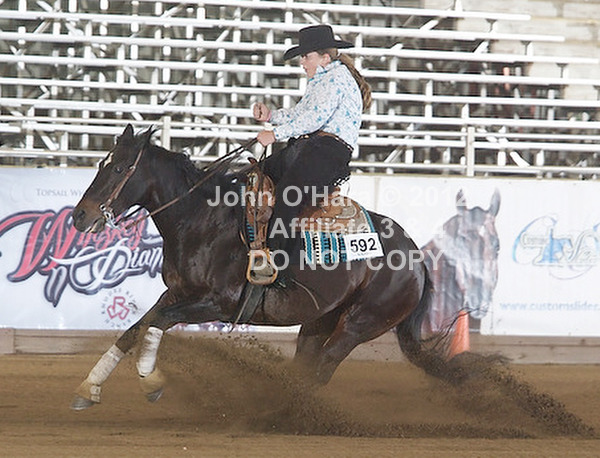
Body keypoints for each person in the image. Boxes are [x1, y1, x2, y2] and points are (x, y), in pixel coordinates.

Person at [250, 24, 372, 279]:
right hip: (312, 148)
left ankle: (278, 265)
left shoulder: (336, 79)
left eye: (306, 56)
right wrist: (271, 116)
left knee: (288, 194)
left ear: (325, 58)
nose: (302, 62)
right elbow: (302, 115)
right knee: (257, 175)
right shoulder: (324, 79)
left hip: (328, 151)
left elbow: (314, 119)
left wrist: (275, 134)